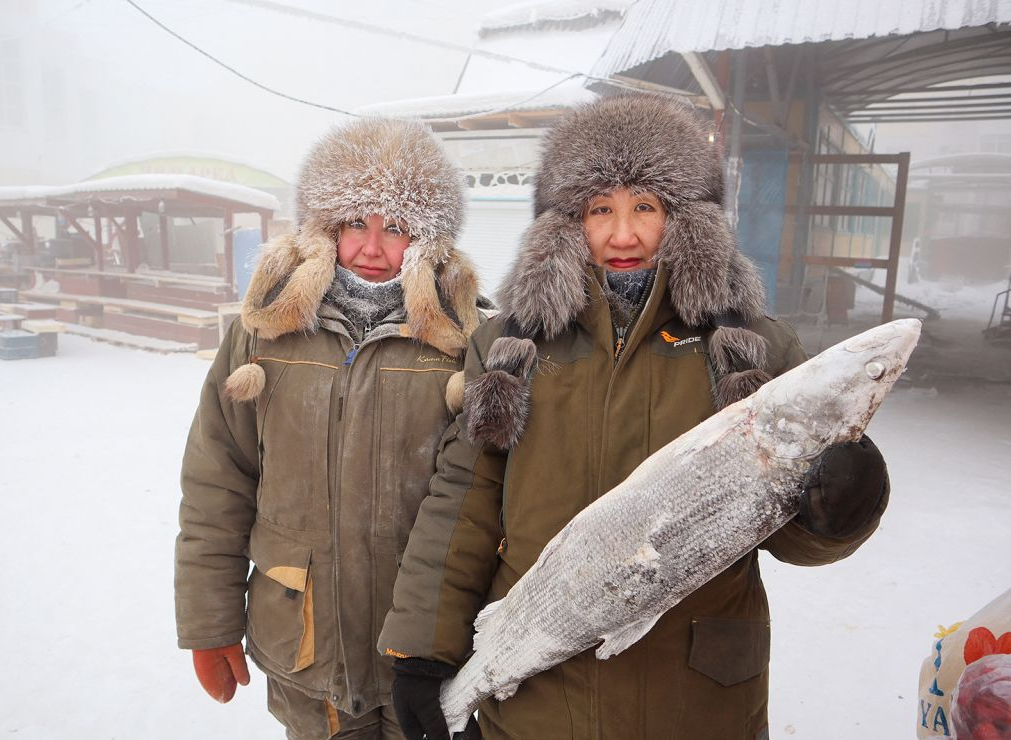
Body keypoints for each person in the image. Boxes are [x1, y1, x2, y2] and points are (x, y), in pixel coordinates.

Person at [379, 95, 891, 740]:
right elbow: (467, 496)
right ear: (566, 224)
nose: (623, 236)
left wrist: (838, 508)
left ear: (687, 219)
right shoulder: (512, 347)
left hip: (696, 697)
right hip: (542, 690)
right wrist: (424, 649)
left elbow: (784, 533)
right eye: (600, 210)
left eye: (645, 207)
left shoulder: (756, 348)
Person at [175, 117, 483, 740]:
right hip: (305, 648)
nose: (371, 248)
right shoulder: (264, 335)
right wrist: (209, 623)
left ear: (426, 240)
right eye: (355, 223)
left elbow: (490, 503)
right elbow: (217, 482)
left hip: (426, 654)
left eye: (394, 227)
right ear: (326, 228)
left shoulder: (468, 343)